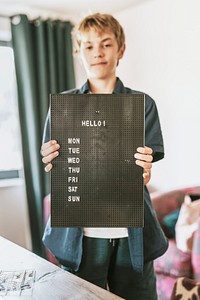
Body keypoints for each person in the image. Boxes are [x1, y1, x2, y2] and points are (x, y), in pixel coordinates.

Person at [41, 13, 168, 300]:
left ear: (120, 49)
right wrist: (51, 160)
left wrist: (145, 172)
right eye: (88, 46)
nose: (97, 52)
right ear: (78, 52)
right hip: (79, 236)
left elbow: (145, 171)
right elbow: (55, 164)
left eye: (106, 44)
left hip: (132, 234)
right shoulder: (63, 108)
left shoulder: (143, 104)